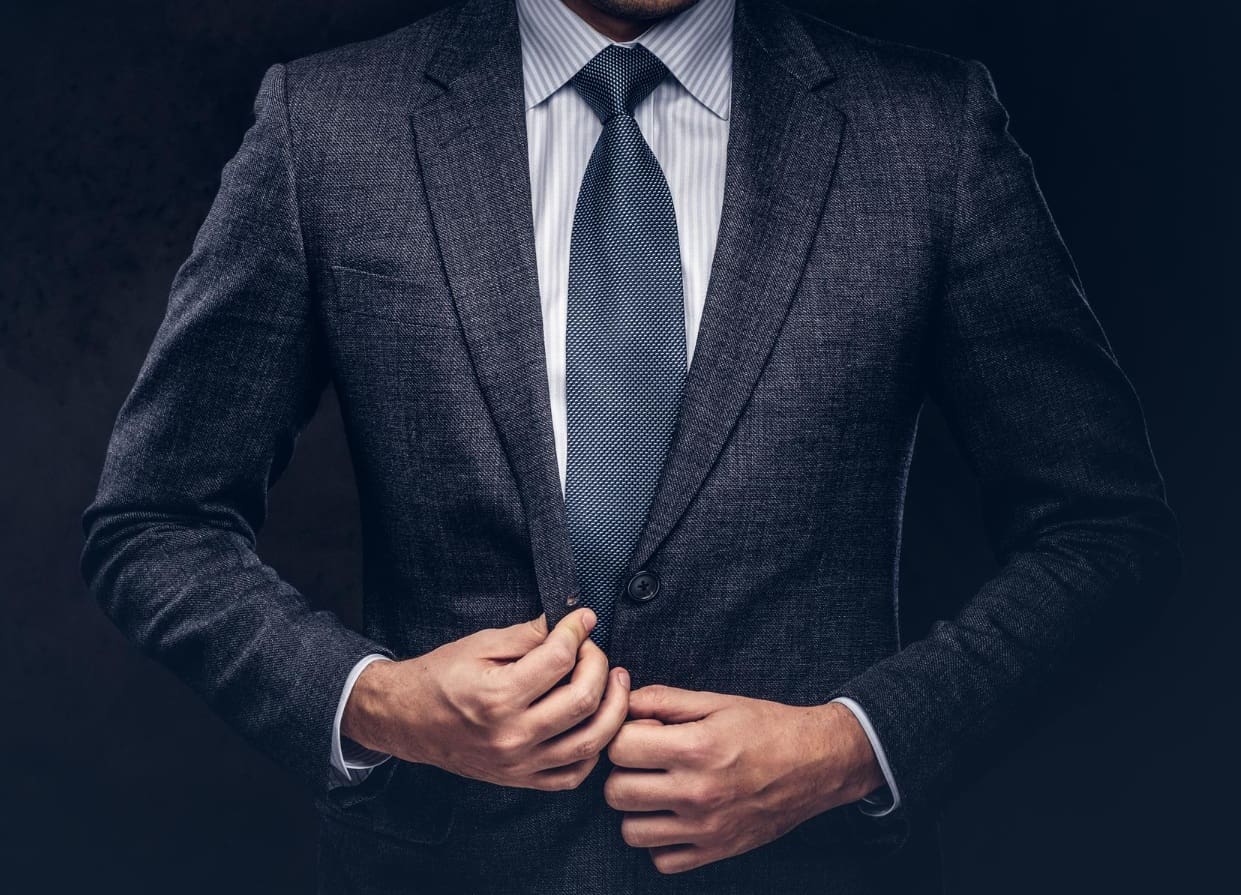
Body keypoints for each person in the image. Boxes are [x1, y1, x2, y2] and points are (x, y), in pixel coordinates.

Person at [79, 0, 1182, 891]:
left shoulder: (926, 133)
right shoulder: (329, 126)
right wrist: (374, 700)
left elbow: (1103, 532)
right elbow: (154, 521)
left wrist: (851, 746)